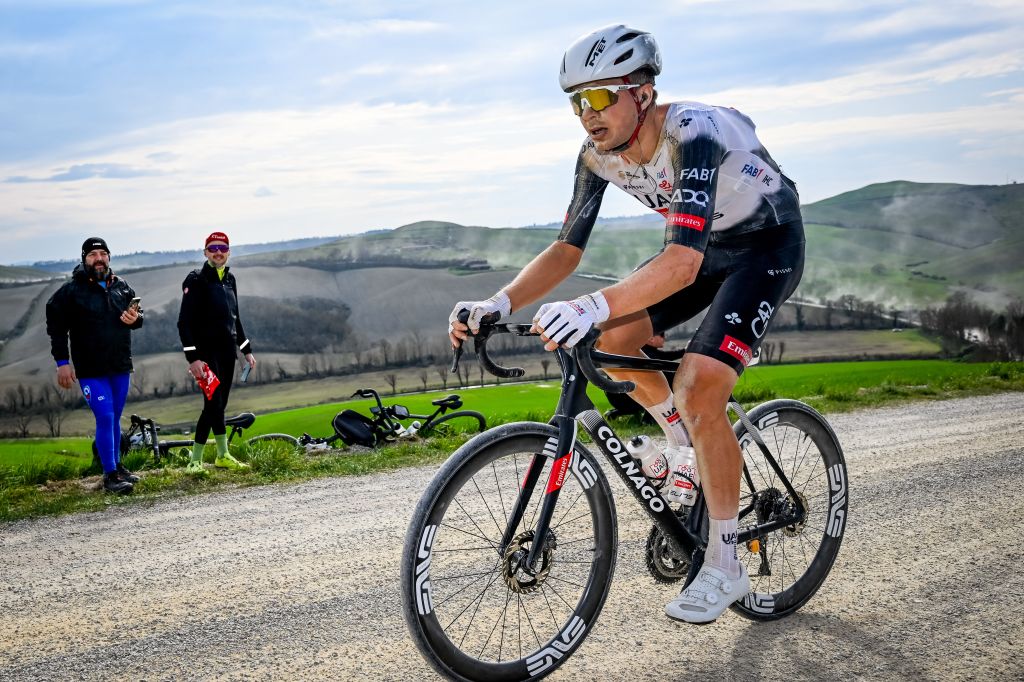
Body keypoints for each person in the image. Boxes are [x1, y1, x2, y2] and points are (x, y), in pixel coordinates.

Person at [448, 24, 804, 624]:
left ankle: (726, 562)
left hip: (766, 246)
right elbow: (566, 252)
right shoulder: (598, 155)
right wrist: (498, 303)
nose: (585, 114)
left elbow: (682, 262)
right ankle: (681, 443)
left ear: (641, 92)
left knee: (699, 387)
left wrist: (588, 305)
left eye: (597, 97)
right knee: (613, 344)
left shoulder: (693, 130)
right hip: (707, 248)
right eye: (574, 101)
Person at [45, 237, 144, 494]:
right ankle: (109, 475)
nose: (98, 258)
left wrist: (136, 319)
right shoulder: (71, 291)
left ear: (109, 257)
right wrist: (62, 362)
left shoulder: (122, 286)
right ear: (84, 259)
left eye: (102, 253)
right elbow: (55, 326)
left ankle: (118, 468)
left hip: (120, 365)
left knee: (114, 420)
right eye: (92, 254)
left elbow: (137, 318)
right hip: (90, 369)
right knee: (105, 416)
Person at [177, 231, 255, 473]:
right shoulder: (196, 280)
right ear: (205, 252)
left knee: (219, 405)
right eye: (213, 248)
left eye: (222, 248)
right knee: (212, 404)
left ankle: (222, 456)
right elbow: (184, 323)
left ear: (229, 252)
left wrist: (246, 350)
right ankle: (195, 461)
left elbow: (235, 318)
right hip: (206, 356)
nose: (218, 252)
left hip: (227, 353)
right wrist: (193, 359)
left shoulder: (230, 280)